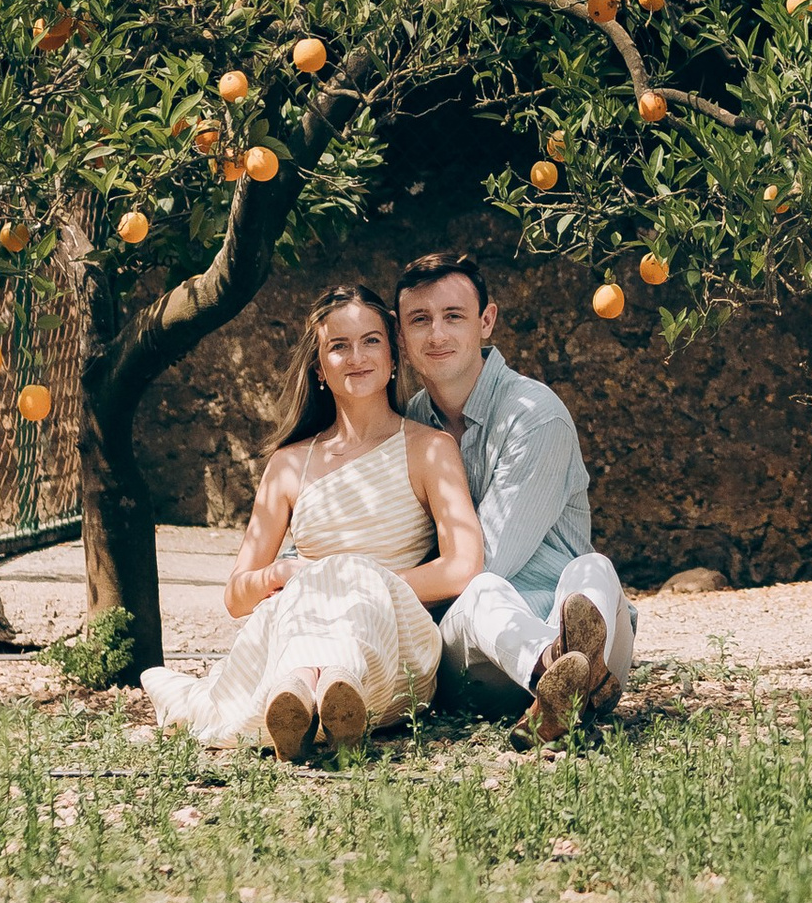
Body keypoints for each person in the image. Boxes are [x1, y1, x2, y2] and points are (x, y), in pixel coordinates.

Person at [142, 282, 483, 757]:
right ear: (320, 368)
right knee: (309, 600)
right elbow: (236, 597)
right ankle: (303, 697)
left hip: (396, 643)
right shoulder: (288, 464)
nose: (356, 357)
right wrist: (282, 573)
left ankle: (315, 689)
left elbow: (463, 566)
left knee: (344, 575)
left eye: (370, 341)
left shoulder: (430, 449)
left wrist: (361, 581)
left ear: (393, 357)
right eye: (338, 346)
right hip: (302, 619)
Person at [395, 252, 635, 743]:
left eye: (453, 316)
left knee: (594, 567)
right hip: (483, 652)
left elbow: (487, 558)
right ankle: (560, 672)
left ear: (486, 322)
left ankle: (571, 674)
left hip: (592, 634)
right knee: (484, 592)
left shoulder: (534, 415)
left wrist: (372, 585)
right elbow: (474, 579)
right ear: (401, 335)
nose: (436, 334)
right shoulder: (409, 425)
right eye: (420, 320)